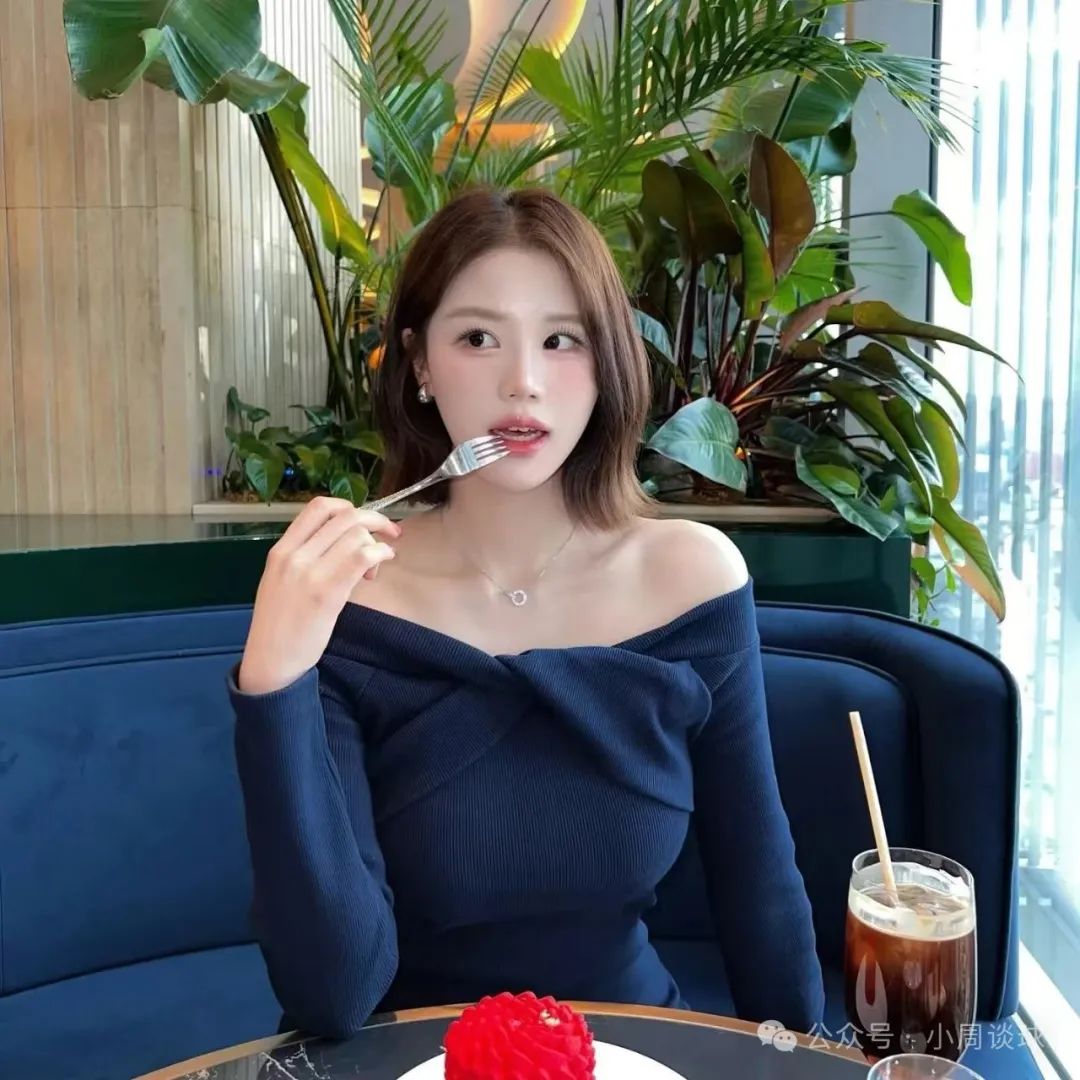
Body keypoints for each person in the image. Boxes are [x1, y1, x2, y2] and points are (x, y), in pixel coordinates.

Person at [228, 186, 825, 1040]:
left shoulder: (692, 579)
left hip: (630, 1050)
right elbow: (333, 993)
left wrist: (807, 1060)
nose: (523, 383)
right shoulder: (349, 597)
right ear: (420, 364)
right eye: (477, 338)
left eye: (561, 339)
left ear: (606, 360)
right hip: (409, 1058)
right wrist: (275, 682)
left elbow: (759, 890)